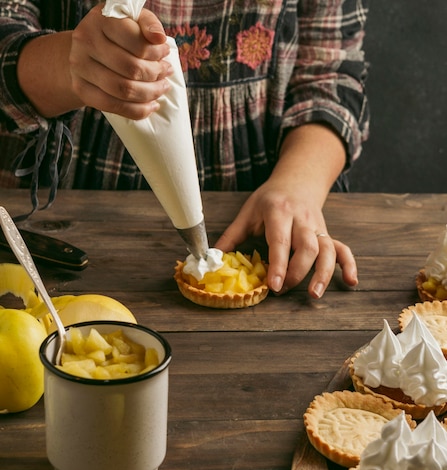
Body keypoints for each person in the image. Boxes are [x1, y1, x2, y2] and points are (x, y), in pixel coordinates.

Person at [0, 1, 369, 298]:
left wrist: (298, 186)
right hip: (61, 229)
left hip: (258, 209)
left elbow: (331, 78)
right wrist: (70, 66)